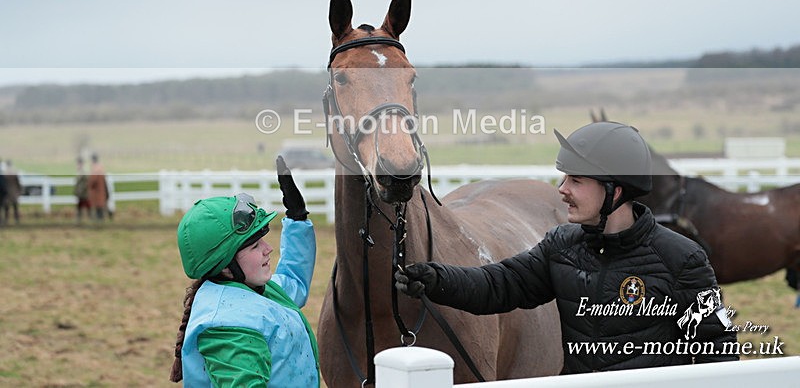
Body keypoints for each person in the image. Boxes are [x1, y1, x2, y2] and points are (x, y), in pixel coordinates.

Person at [396, 121, 738, 374]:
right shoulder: (561, 246)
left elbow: (718, 352)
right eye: (564, 178)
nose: (562, 189)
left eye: (576, 180)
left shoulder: (684, 259)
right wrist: (435, 279)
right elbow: (498, 285)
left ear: (614, 190)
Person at [170, 156, 319, 387]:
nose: (268, 249)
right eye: (254, 246)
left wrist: (297, 219)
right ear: (225, 265)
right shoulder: (230, 327)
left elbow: (293, 282)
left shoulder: (254, 290)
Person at [88, 153, 109, 220]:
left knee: (98, 208)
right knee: (100, 207)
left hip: (96, 192)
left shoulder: (95, 168)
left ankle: (99, 221)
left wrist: (89, 185)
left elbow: (93, 181)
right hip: (101, 190)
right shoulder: (101, 167)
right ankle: (101, 219)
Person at [2, 160, 22, 225]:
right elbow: (18, 182)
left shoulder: (5, 173)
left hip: (8, 192)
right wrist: (19, 190)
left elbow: (4, 183)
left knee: (7, 207)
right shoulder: (14, 172)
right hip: (13, 192)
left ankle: (6, 220)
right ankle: (16, 220)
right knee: (14, 207)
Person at [73, 157, 91, 222]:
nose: (77, 165)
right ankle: (79, 220)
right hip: (81, 194)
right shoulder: (79, 172)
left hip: (84, 194)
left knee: (87, 206)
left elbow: (86, 183)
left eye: (78, 164)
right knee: (80, 207)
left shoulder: (83, 172)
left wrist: (81, 191)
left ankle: (89, 219)